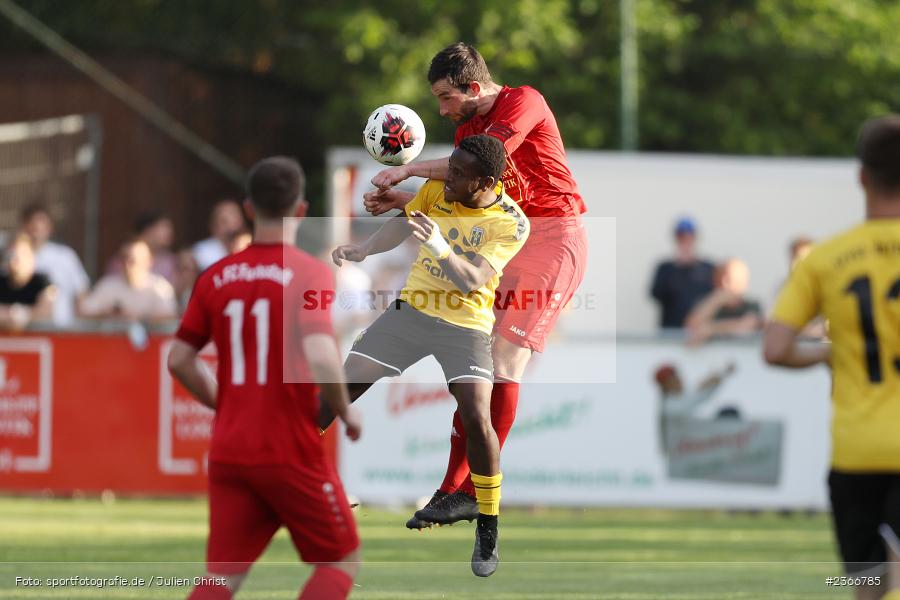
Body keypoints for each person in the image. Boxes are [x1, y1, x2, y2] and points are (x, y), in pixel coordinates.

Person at [363, 42, 587, 528]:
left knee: (503, 363)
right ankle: (452, 491)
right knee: (477, 372)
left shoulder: (524, 101)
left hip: (553, 238)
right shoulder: (467, 130)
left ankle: (466, 491)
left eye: (446, 97)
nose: (442, 110)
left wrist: (408, 168)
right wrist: (406, 199)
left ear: (473, 86)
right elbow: (462, 195)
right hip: (509, 243)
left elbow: (491, 160)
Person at [321, 135, 529, 577]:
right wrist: (364, 249)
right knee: (339, 389)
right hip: (412, 311)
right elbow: (405, 222)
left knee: (477, 416)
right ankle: (287, 474)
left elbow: (472, 280)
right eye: (449, 168)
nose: (446, 178)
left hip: (465, 324)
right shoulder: (440, 189)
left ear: (485, 182)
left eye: (458, 174)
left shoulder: (511, 222)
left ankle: (488, 526)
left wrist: (438, 244)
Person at [168, 156, 363, 600]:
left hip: (231, 448)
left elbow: (179, 359)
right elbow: (320, 353)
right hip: (288, 447)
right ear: (301, 210)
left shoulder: (216, 276)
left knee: (223, 577)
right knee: (341, 561)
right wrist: (346, 411)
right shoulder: (310, 272)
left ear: (248, 209)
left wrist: (223, 403)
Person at [764, 115, 900, 600]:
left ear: (862, 177)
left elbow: (775, 349)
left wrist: (828, 355)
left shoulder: (825, 259)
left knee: (868, 583)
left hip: (855, 451)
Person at [19, 204, 90, 327]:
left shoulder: (65, 256)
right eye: (32, 224)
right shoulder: (15, 258)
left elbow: (82, 294)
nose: (37, 230)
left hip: (61, 331)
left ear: (49, 227)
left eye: (41, 224)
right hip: (23, 332)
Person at [79, 239, 178, 321]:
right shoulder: (107, 285)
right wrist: (106, 314)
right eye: (123, 259)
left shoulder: (160, 287)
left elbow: (170, 316)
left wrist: (139, 317)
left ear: (149, 261)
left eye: (133, 260)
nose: (127, 265)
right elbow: (84, 312)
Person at [650, 217, 716, 329]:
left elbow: (714, 297)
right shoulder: (665, 268)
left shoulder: (708, 268)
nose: (685, 241)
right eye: (681, 237)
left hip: (700, 332)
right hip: (671, 330)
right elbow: (655, 294)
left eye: (689, 237)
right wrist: (678, 268)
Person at [685, 258, 763, 345]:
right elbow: (691, 326)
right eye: (719, 278)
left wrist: (712, 329)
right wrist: (715, 300)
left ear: (743, 282)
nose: (723, 283)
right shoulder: (706, 303)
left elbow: (747, 325)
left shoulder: (751, 305)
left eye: (729, 279)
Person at [0, 234, 55, 331]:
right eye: (11, 255)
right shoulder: (2, 281)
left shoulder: (43, 282)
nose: (13, 261)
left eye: (19, 256)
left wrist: (17, 314)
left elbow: (45, 311)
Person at [106, 211, 177, 283]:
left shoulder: (171, 261)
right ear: (147, 230)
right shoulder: (124, 259)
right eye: (163, 227)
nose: (169, 232)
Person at [192, 199, 245, 270]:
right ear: (213, 226)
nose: (231, 227)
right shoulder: (201, 252)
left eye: (235, 218)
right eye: (224, 221)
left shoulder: (249, 246)